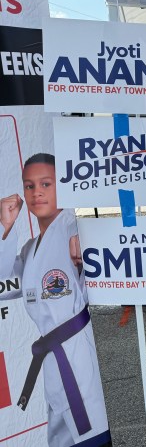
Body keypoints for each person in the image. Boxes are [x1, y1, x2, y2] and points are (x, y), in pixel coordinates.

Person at [0, 153, 111, 447]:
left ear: (64, 185)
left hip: (77, 356)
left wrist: (87, 247)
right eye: (29, 186)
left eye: (46, 183)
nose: (36, 192)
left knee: (89, 432)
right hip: (53, 360)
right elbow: (2, 279)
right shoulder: (29, 249)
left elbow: (104, 256)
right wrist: (6, 226)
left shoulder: (75, 229)